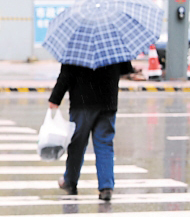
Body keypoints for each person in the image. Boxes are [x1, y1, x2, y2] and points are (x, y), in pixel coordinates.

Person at [48, 61, 134, 201]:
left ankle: (70, 181)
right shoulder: (113, 43)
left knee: (77, 144)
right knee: (105, 144)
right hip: (107, 101)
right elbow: (125, 69)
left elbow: (67, 74)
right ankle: (106, 186)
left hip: (82, 102)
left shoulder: (77, 44)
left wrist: (55, 98)